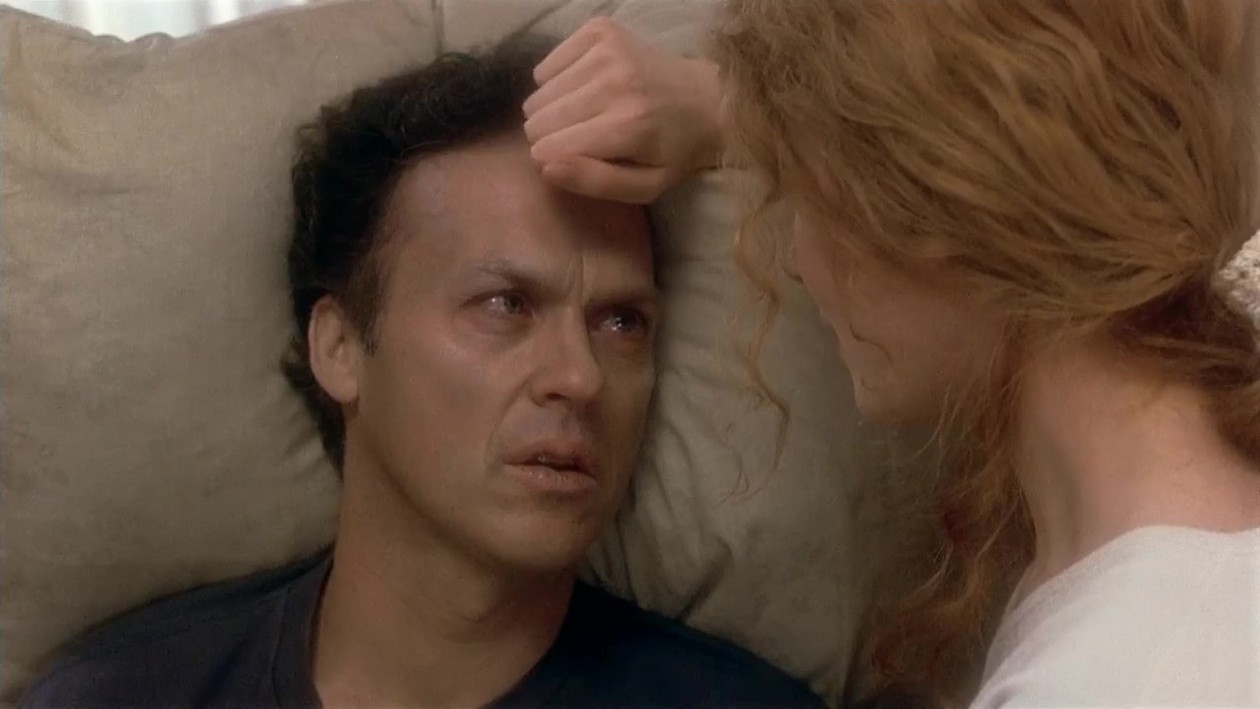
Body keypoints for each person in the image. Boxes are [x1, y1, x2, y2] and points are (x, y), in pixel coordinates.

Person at [20, 36, 826, 709]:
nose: (580, 377)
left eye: (621, 322)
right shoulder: (121, 694)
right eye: (506, 304)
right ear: (340, 346)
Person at [524, 5, 1260, 708]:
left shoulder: (1135, 676)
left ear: (938, 200)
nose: (800, 262)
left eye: (806, 197)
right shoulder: (1137, 555)